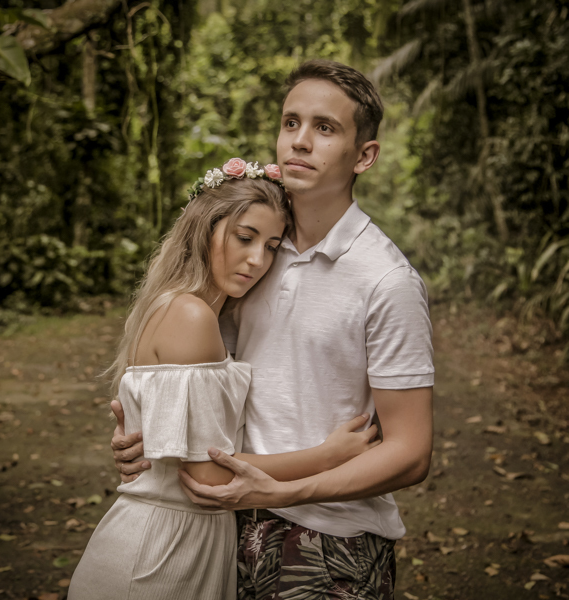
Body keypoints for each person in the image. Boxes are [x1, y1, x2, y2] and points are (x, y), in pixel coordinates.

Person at [113, 60, 435, 599]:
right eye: (291, 123)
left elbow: (410, 451)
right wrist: (145, 433)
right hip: (221, 526)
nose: (300, 142)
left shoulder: (386, 280)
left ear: (365, 156)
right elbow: (196, 378)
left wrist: (290, 489)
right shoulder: (253, 253)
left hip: (329, 541)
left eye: (325, 128)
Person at [68, 159, 380, 600]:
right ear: (204, 229)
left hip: (188, 541)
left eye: (272, 246)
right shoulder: (191, 315)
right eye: (244, 237)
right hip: (160, 553)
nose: (257, 260)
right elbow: (210, 475)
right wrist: (328, 455)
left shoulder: (193, 311)